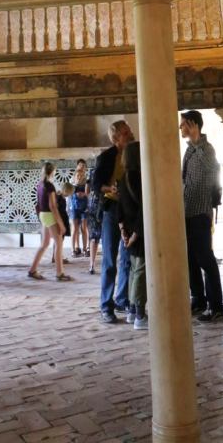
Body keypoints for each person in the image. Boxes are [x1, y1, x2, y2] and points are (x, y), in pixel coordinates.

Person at [180, 110, 223, 323]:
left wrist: (197, 140)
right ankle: (198, 300)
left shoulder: (207, 149)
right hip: (187, 211)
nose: (180, 128)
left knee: (206, 259)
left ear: (193, 125)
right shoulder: (189, 150)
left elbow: (213, 170)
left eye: (183, 124)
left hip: (200, 213)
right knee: (190, 259)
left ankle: (216, 307)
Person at [92, 119, 133, 323]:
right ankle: (106, 306)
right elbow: (95, 184)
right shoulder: (106, 157)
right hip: (112, 210)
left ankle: (122, 299)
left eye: (129, 131)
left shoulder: (134, 154)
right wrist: (110, 189)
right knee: (110, 259)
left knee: (127, 258)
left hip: (130, 210)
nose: (131, 134)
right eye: (126, 132)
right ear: (116, 138)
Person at [118, 140, 147, 330]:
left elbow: (119, 208)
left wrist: (124, 232)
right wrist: (136, 234)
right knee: (140, 271)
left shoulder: (123, 178)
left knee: (133, 270)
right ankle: (139, 315)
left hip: (128, 232)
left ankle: (131, 311)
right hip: (138, 232)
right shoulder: (139, 178)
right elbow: (144, 207)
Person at [28, 162, 71, 282]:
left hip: (42, 215)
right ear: (52, 172)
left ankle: (32, 270)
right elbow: (53, 206)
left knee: (45, 244)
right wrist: (61, 224)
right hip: (49, 215)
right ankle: (59, 273)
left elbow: (39, 203)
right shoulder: (50, 186)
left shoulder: (39, 184)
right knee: (59, 243)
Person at [70, 158, 90, 256]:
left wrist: (84, 194)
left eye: (83, 166)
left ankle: (86, 248)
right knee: (75, 228)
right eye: (80, 165)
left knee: (84, 228)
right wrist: (76, 184)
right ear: (77, 167)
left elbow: (89, 193)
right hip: (74, 207)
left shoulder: (87, 181)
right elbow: (68, 193)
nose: (82, 167)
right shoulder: (72, 180)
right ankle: (74, 249)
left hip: (84, 207)